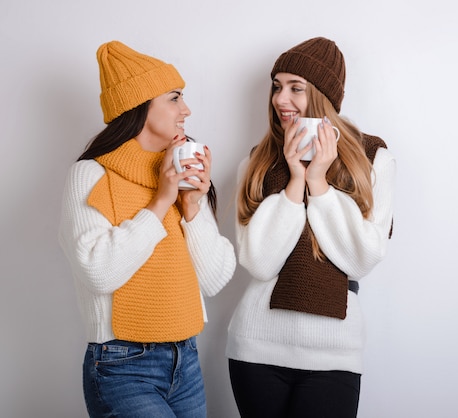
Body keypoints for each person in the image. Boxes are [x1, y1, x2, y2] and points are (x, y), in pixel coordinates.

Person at [58, 40, 236, 417]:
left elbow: (216, 277)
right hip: (122, 364)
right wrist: (160, 201)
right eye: (174, 98)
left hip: (185, 358)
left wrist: (191, 205)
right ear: (138, 106)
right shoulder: (91, 175)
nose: (186, 110)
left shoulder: (179, 170)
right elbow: (98, 271)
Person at [226, 37, 396, 418]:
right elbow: (258, 262)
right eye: (276, 86)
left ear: (323, 97)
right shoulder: (256, 162)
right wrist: (295, 180)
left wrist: (319, 182)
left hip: (335, 355)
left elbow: (361, 259)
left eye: (295, 88)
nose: (280, 99)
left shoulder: (374, 159)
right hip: (256, 348)